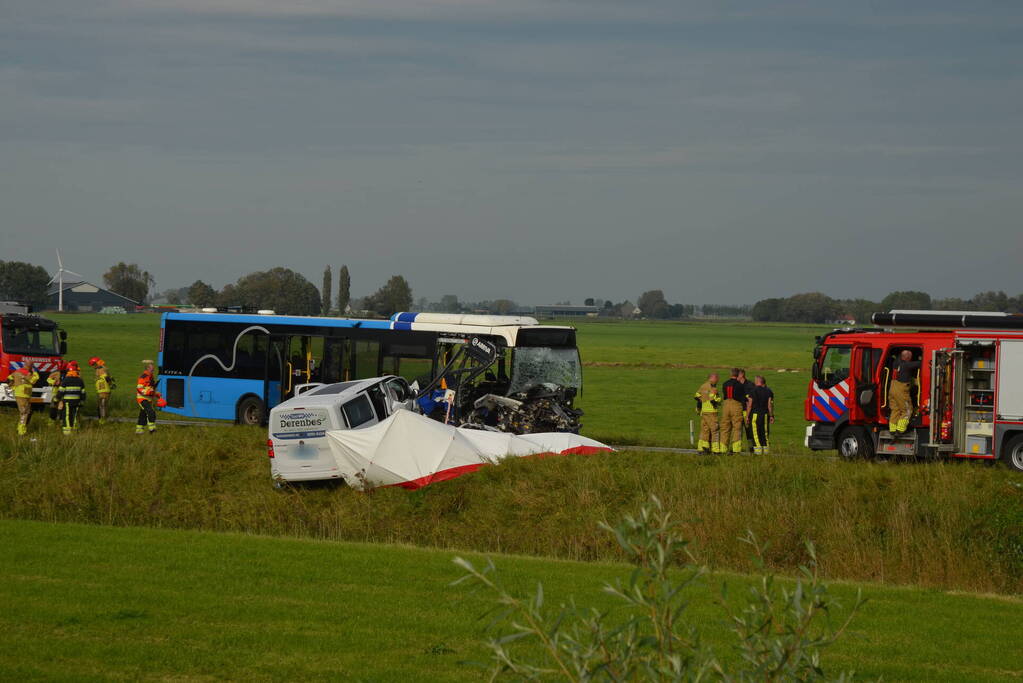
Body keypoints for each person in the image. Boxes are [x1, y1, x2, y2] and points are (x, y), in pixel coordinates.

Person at [888, 350, 921, 434]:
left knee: (895, 409)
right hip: (901, 390)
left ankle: (892, 430)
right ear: (907, 358)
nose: (911, 358)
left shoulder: (896, 362)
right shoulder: (906, 365)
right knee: (907, 410)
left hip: (892, 388)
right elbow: (920, 363)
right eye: (910, 357)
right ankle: (900, 429)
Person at [719, 368, 747, 454]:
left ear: (730, 374)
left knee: (725, 428)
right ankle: (736, 449)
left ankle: (723, 449)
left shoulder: (725, 384)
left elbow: (724, 395)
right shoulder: (740, 385)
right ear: (738, 375)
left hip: (726, 405)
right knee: (737, 427)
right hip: (736, 406)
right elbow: (742, 398)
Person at [694, 373, 723, 454]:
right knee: (715, 430)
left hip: (704, 412)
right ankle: (716, 450)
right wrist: (719, 400)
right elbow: (713, 399)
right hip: (712, 412)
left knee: (704, 430)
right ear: (713, 378)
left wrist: (699, 408)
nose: (717, 381)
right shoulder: (713, 388)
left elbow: (697, 397)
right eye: (717, 379)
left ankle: (702, 448)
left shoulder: (703, 386)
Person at [7, 363, 39, 436]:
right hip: (23, 395)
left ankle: (20, 429)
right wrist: (35, 372)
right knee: (24, 413)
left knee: (25, 412)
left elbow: (8, 379)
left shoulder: (17, 371)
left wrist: (13, 387)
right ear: (29, 366)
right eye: (32, 366)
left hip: (21, 394)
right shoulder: (28, 373)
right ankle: (22, 432)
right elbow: (33, 380)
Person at [746, 375, 774, 454]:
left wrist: (747, 416)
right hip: (765, 415)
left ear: (758, 381)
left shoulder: (752, 391)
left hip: (755, 414)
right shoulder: (768, 391)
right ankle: (766, 452)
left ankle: (758, 452)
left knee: (755, 433)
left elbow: (750, 405)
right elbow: (769, 405)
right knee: (764, 433)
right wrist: (771, 415)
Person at [56, 361, 86, 435]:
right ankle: (75, 429)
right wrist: (82, 400)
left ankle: (67, 431)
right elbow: (83, 392)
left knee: (66, 416)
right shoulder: (80, 380)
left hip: (67, 401)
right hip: (77, 402)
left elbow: (61, 391)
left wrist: (56, 398)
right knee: (74, 415)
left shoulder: (66, 380)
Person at [136, 360, 160, 435]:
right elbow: (139, 389)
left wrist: (156, 394)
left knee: (143, 414)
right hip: (142, 398)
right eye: (152, 368)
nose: (153, 370)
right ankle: (152, 429)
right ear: (147, 368)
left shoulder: (151, 376)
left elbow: (151, 388)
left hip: (149, 399)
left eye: (153, 368)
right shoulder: (143, 376)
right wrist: (149, 392)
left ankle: (139, 430)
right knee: (150, 412)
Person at [88, 357, 114, 423]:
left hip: (104, 390)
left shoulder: (101, 369)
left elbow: (106, 377)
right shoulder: (102, 368)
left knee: (102, 405)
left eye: (93, 365)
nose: (93, 367)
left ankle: (102, 420)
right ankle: (102, 420)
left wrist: (110, 384)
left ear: (96, 364)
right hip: (102, 390)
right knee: (102, 405)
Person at [737, 369, 756, 453]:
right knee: (738, 430)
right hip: (738, 410)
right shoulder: (736, 385)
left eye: (737, 375)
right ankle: (737, 449)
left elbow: (750, 400)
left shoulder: (750, 385)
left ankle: (751, 448)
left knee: (749, 432)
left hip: (746, 411)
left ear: (742, 375)